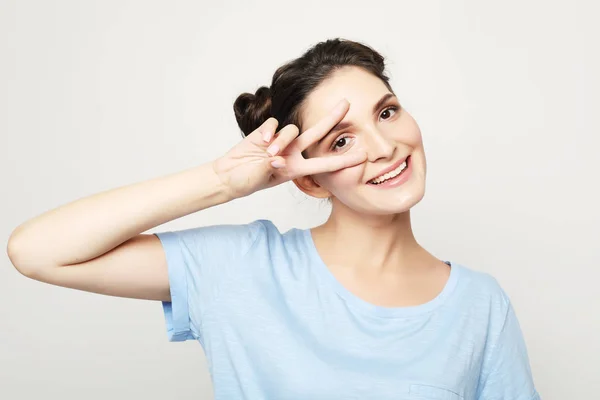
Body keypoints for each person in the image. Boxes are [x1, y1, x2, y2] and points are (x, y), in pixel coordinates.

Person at [7, 38, 540, 399]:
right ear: (307, 177)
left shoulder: (480, 304)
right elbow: (36, 251)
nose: (384, 146)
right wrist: (223, 181)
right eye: (341, 140)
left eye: (386, 111)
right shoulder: (240, 267)